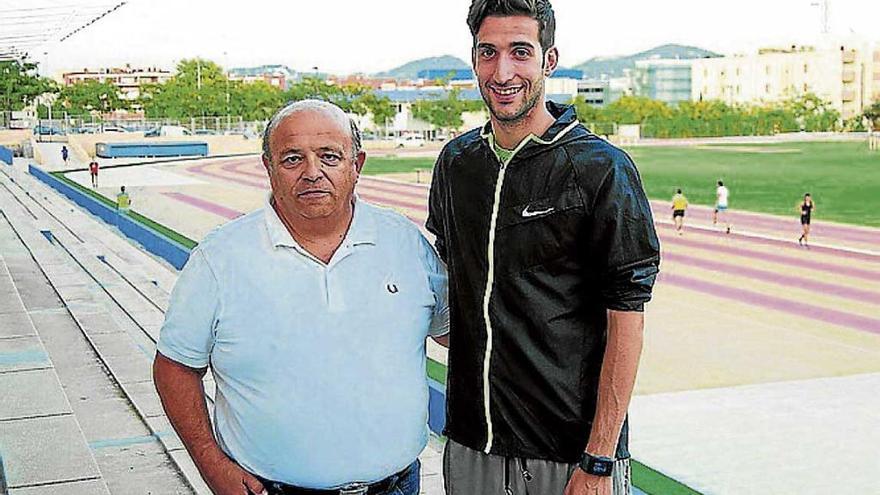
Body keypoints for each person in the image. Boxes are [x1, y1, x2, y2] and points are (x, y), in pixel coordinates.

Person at [153, 100, 449, 495]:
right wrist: (212, 464)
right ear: (268, 167)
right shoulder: (219, 259)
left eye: (329, 156)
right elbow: (174, 367)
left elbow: (451, 333)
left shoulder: (405, 243)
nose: (313, 173)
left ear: (356, 164)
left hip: (398, 487)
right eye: (293, 158)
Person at [426, 2, 660, 494]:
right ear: (473, 58)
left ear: (548, 60)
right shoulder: (456, 163)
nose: (502, 71)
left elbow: (627, 321)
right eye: (487, 53)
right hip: (472, 444)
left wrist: (598, 459)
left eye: (520, 52)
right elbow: (455, 289)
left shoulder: (602, 169)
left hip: (568, 452)